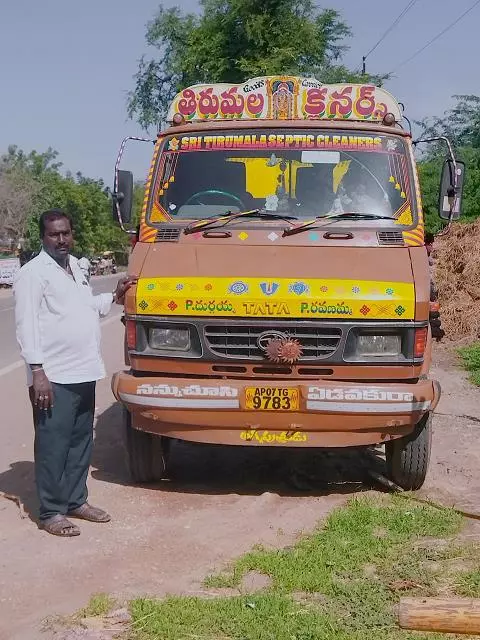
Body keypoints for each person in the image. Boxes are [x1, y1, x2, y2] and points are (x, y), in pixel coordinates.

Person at [13, 209, 137, 537]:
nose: (62, 239)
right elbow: (26, 326)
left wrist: (113, 296)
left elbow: (83, 307)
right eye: (54, 234)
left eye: (66, 233)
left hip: (83, 370)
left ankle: (76, 500)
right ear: (43, 237)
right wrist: (37, 371)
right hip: (53, 377)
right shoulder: (33, 274)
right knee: (54, 443)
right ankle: (52, 510)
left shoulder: (75, 268)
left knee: (82, 440)